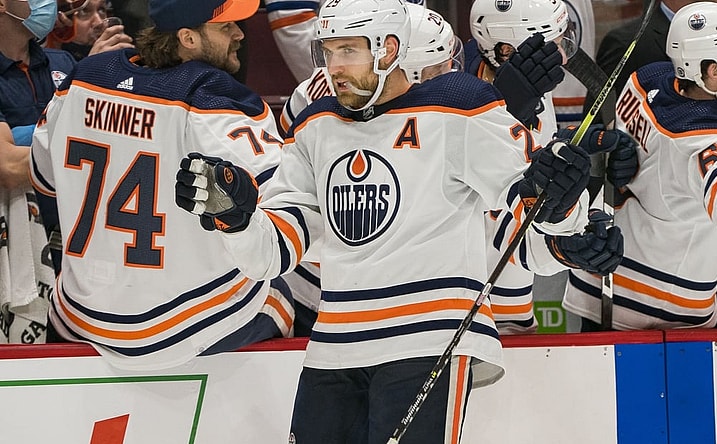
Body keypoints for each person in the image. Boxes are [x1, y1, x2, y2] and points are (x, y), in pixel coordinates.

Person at [174, 1, 619, 441]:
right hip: (334, 346)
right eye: (328, 52)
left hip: (430, 338)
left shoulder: (458, 110)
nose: (335, 67)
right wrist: (237, 219)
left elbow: (530, 209)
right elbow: (273, 253)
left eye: (349, 51)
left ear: (388, 49)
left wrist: (563, 203)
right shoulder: (316, 126)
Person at [29, 0, 294, 370]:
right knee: (286, 291)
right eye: (227, 27)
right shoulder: (217, 99)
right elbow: (285, 207)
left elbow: (44, 178)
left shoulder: (84, 77)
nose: (239, 35)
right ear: (187, 37)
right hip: (175, 328)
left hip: (79, 313)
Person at [562, 2, 717, 331]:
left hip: (601, 284)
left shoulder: (647, 80)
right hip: (658, 310)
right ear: (713, 71)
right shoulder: (708, 138)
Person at [277, 2, 465, 336]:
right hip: (326, 287)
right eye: (438, 71)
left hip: (387, 286)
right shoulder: (322, 100)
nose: (448, 78)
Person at [466, 0, 636, 333]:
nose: (563, 53)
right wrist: (561, 247)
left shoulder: (533, 90)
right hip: (468, 317)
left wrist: (568, 152)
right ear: (505, 49)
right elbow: (492, 220)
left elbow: (530, 173)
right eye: (552, 44)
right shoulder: (456, 101)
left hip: (513, 309)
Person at [1, 0, 74, 344]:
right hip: (16, 250)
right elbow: (7, 166)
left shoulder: (64, 62)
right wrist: (79, 150)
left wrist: (22, 136)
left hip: (74, 252)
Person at [46, 0, 133, 61]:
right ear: (61, 18)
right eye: (84, 11)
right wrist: (92, 64)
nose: (99, 22)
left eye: (101, 9)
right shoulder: (49, 61)